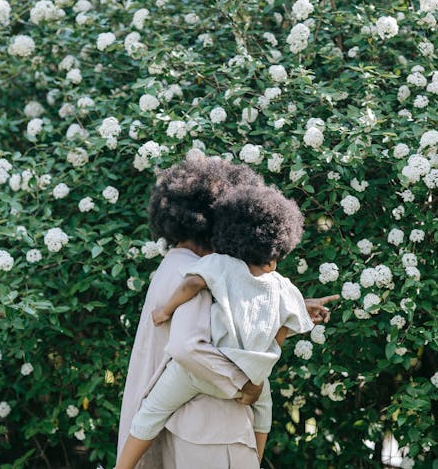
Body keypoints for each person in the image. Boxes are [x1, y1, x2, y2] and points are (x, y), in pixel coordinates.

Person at [116, 154, 335, 468]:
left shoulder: (177, 264)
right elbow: (187, 346)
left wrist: (292, 306)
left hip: (192, 426)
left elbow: (240, 304)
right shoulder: (197, 271)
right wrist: (246, 382)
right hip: (207, 433)